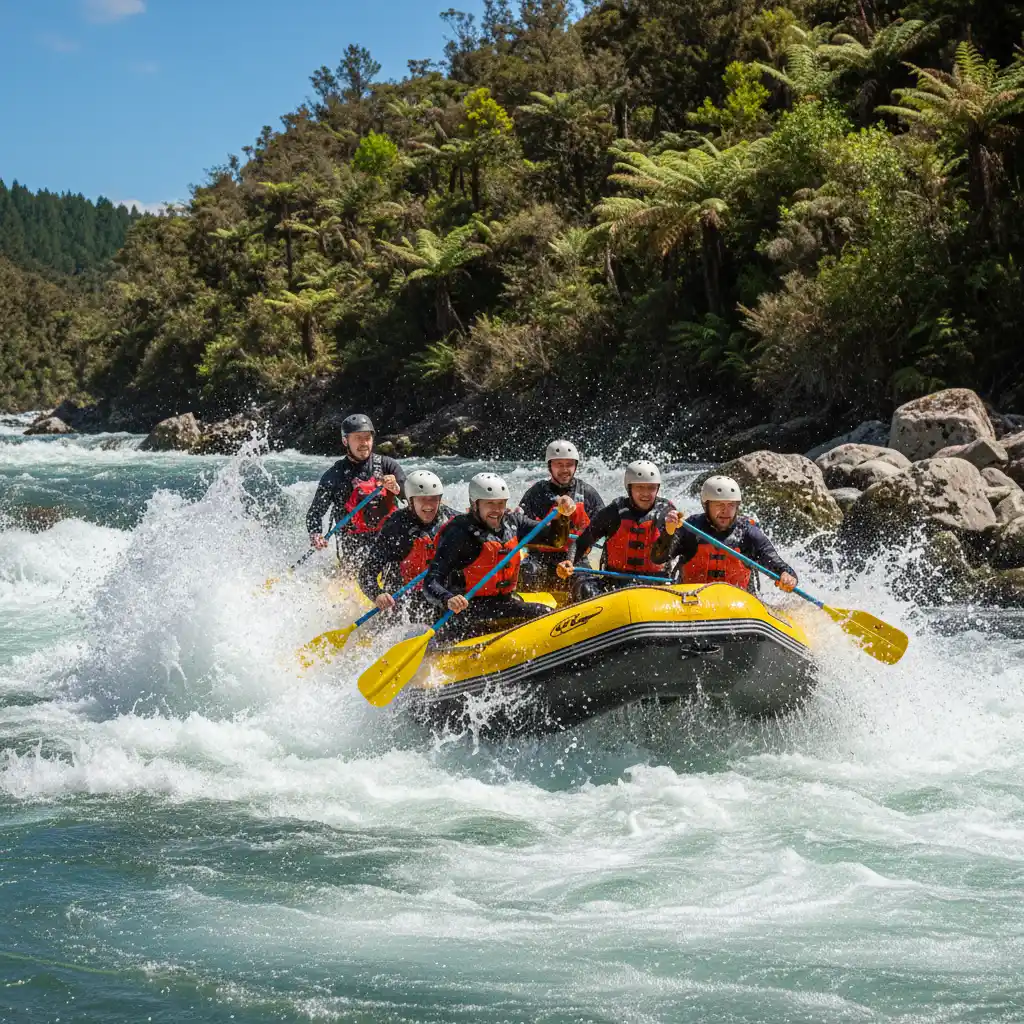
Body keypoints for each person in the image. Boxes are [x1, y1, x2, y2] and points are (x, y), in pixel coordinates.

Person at [424, 472, 576, 639]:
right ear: (475, 504)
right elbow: (431, 581)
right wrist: (448, 599)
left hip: (503, 602)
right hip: (469, 610)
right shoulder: (458, 533)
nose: (497, 510)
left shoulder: (513, 522)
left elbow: (556, 540)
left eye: (501, 503)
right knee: (545, 613)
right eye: (490, 504)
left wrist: (563, 517)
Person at [651, 475, 798, 593]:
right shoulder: (690, 528)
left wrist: (788, 576)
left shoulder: (748, 533)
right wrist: (669, 532)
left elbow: (777, 564)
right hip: (691, 600)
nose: (726, 511)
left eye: (731, 505)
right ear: (706, 505)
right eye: (719, 505)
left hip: (737, 605)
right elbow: (658, 558)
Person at [558, 460, 676, 601]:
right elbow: (581, 542)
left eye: (651, 488)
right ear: (629, 488)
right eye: (640, 487)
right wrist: (569, 562)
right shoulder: (614, 512)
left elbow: (669, 554)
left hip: (655, 585)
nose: (646, 493)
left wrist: (670, 532)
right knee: (584, 587)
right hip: (615, 583)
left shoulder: (667, 514)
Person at [305, 413, 406, 569]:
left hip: (387, 538)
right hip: (352, 543)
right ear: (345, 441)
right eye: (358, 438)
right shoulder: (334, 475)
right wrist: (316, 534)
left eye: (367, 437)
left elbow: (410, 497)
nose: (364, 443)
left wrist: (396, 488)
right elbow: (315, 513)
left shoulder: (388, 466)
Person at [357, 470, 457, 620]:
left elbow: (478, 521)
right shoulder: (395, 527)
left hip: (441, 595)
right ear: (411, 501)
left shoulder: (450, 518)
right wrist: (377, 594)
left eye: (434, 499)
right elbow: (367, 573)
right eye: (422, 499)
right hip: (404, 598)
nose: (429, 505)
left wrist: (504, 517)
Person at [517, 440, 604, 594]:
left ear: (575, 465)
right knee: (527, 572)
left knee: (588, 588)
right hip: (540, 558)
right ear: (550, 466)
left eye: (569, 464)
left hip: (576, 560)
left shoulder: (588, 493)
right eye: (559, 464)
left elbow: (604, 529)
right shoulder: (536, 493)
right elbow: (519, 528)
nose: (565, 469)